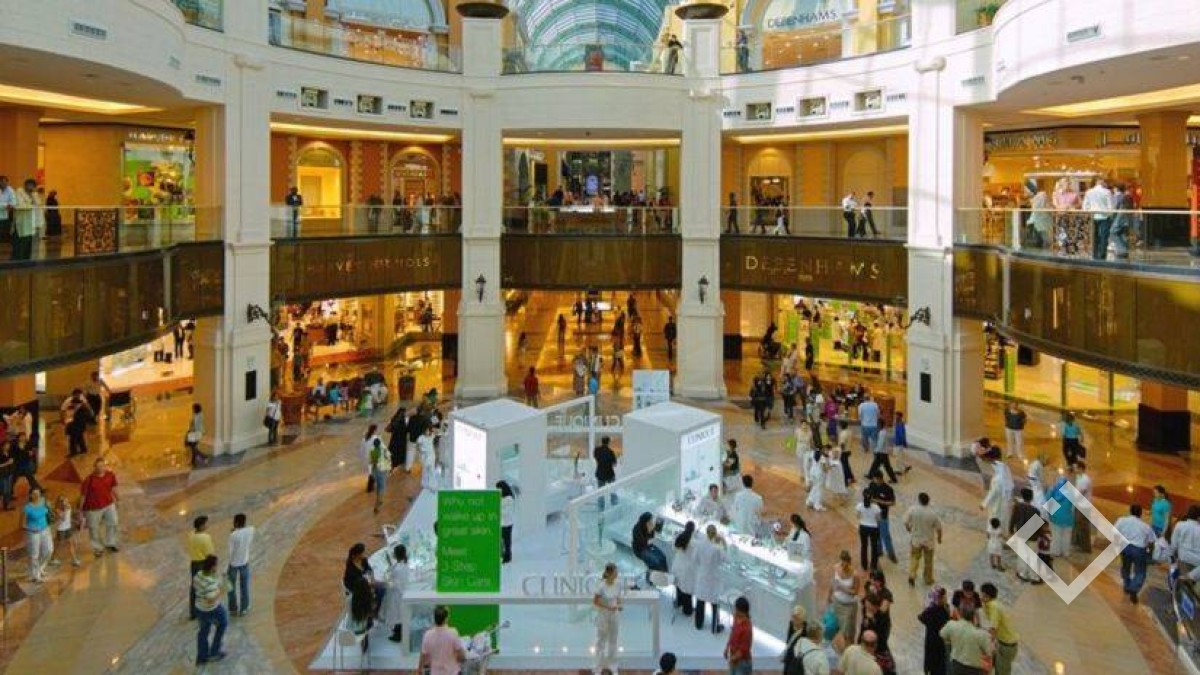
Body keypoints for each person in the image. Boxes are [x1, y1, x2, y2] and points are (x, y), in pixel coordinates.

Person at [1114, 504, 1156, 603]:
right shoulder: (1145, 526)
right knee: (1140, 572)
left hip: (1125, 547)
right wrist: (1149, 553)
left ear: (1130, 511)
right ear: (1140, 514)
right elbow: (1152, 541)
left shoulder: (1121, 520)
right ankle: (1134, 588)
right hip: (1139, 550)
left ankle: (1126, 585)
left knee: (1126, 568)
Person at [192, 554, 229, 664]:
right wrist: (221, 590)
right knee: (223, 624)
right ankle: (215, 652)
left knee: (203, 632)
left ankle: (202, 657)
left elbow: (196, 587)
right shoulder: (210, 583)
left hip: (199, 608)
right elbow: (210, 599)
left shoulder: (198, 575)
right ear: (213, 567)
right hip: (212, 609)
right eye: (216, 565)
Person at [79, 457, 119, 556]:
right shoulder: (89, 480)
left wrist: (118, 498)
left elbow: (113, 487)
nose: (101, 468)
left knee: (113, 522)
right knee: (94, 529)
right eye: (98, 466)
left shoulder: (110, 475)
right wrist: (80, 511)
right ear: (94, 467)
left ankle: (110, 543)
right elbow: (83, 496)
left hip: (108, 504)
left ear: (105, 466)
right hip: (93, 508)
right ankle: (98, 548)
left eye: (102, 466)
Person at [939, 604, 992, 675]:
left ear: (960, 613)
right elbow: (989, 652)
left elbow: (942, 634)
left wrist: (951, 639)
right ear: (974, 617)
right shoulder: (982, 634)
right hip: (974, 669)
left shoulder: (951, 625)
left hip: (956, 665)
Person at [693, 524, 727, 633]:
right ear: (716, 534)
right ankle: (714, 627)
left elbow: (695, 559)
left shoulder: (700, 544)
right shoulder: (717, 548)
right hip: (713, 576)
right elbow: (725, 559)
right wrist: (724, 543)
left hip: (702, 574)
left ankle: (698, 624)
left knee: (700, 600)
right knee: (714, 602)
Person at [904, 492, 942, 586]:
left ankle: (912, 575)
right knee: (928, 561)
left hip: (916, 540)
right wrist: (939, 538)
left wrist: (908, 529)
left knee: (914, 558)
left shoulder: (913, 510)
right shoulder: (932, 514)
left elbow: (905, 522)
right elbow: (939, 528)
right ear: (928, 501)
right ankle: (928, 579)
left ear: (919, 500)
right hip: (928, 541)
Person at [979, 582, 1018, 675]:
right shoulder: (992, 603)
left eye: (982, 595)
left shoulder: (994, 607)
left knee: (1002, 672)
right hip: (1003, 643)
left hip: (1006, 646)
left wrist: (987, 645)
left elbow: (993, 629)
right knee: (996, 667)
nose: (981, 597)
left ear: (987, 596)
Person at [593, 563, 623, 675]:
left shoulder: (618, 584)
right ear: (609, 573)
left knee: (613, 641)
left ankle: (613, 666)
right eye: (615, 572)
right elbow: (595, 602)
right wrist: (609, 607)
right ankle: (598, 667)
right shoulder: (601, 586)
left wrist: (619, 605)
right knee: (601, 641)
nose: (617, 574)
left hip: (614, 615)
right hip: (603, 615)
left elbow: (618, 598)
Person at [864, 472, 898, 563]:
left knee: (886, 535)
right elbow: (869, 495)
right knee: (876, 534)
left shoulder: (888, 489)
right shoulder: (872, 485)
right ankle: (879, 550)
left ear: (879, 478)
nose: (873, 480)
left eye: (875, 479)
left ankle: (891, 553)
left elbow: (892, 503)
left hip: (883, 516)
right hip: (874, 515)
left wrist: (878, 501)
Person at [1009, 488, 1041, 583]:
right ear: (1032, 498)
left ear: (1022, 497)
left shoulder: (1017, 506)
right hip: (1032, 535)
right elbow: (1038, 526)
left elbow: (1013, 519)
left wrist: (1011, 529)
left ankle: (1023, 573)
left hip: (1021, 533)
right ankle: (1034, 576)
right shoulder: (1036, 510)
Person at [829, 550, 861, 643]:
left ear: (849, 562)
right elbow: (833, 582)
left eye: (844, 562)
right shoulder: (836, 567)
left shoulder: (855, 575)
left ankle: (850, 645)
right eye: (841, 561)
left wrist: (843, 588)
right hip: (837, 602)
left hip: (849, 606)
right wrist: (829, 595)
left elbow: (855, 592)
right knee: (838, 626)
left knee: (849, 630)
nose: (842, 564)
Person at [226, 513, 255, 616]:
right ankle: (244, 608)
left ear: (236, 523)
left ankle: (233, 608)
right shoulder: (251, 530)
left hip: (233, 564)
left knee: (231, 587)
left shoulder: (233, 536)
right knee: (244, 586)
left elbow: (230, 552)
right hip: (244, 562)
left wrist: (234, 532)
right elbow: (249, 528)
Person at [22, 488, 53, 582]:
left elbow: (50, 513)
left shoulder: (43, 503)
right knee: (34, 554)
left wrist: (50, 507)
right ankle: (36, 575)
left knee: (49, 550)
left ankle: (40, 568)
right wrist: (32, 529)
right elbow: (22, 524)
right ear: (30, 495)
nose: (37, 495)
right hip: (33, 533)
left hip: (45, 530)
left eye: (38, 493)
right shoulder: (27, 508)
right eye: (34, 494)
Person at [918, 586, 950, 675]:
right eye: (943, 597)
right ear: (938, 598)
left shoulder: (931, 610)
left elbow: (921, 617)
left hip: (933, 642)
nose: (945, 598)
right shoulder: (936, 610)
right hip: (937, 643)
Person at [188, 516, 215, 620]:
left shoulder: (191, 535)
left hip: (194, 563)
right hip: (203, 564)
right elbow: (210, 554)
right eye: (206, 523)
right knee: (206, 587)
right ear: (201, 526)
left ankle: (193, 612)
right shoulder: (205, 537)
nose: (207, 525)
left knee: (194, 587)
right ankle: (206, 610)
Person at [981, 451, 1014, 534]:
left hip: (996, 503)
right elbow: (1010, 486)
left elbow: (992, 493)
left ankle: (992, 533)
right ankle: (1002, 532)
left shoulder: (998, 479)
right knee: (1003, 517)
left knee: (994, 516)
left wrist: (984, 504)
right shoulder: (1004, 473)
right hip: (1004, 500)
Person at [1082, 177, 1114, 260]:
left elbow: (1085, 206)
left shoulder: (1089, 192)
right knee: (1104, 236)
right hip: (1104, 217)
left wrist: (1089, 212)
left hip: (1093, 216)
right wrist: (1109, 215)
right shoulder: (1107, 192)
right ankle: (1102, 254)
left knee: (1094, 236)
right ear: (1100, 181)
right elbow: (1111, 207)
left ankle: (1094, 254)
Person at [382, 544, 408, 642]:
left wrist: (385, 581)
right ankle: (398, 632)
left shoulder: (398, 569)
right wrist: (389, 563)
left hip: (396, 594)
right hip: (401, 593)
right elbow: (394, 570)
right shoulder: (404, 564)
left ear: (396, 554)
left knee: (397, 615)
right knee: (399, 614)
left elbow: (393, 584)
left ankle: (398, 635)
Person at [11, 178, 42, 260]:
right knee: (20, 242)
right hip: (21, 221)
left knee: (28, 242)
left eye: (32, 186)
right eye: (29, 185)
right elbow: (21, 204)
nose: (30, 187)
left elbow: (38, 204)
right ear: (25, 185)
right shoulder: (19, 191)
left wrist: (32, 196)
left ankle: (26, 259)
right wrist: (31, 204)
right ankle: (17, 260)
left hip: (31, 221)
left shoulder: (34, 194)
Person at [632, 511, 668, 578]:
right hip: (640, 549)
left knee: (662, 557)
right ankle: (650, 578)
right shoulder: (636, 529)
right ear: (645, 521)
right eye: (650, 520)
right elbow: (643, 542)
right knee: (655, 562)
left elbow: (652, 537)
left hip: (648, 546)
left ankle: (664, 575)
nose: (651, 521)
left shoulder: (649, 525)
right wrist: (649, 531)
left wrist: (651, 530)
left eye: (651, 520)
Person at [672, 521, 697, 616]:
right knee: (687, 591)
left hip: (677, 567)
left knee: (678, 586)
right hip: (687, 570)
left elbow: (674, 549)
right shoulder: (694, 543)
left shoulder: (679, 537)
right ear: (693, 530)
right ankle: (687, 610)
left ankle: (679, 602)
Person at [50, 494, 81, 567]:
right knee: (59, 545)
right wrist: (64, 510)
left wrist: (74, 522)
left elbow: (68, 518)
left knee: (70, 544)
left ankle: (74, 559)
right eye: (62, 501)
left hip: (68, 528)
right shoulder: (58, 510)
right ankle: (53, 558)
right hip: (61, 530)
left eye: (66, 500)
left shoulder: (69, 507)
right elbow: (63, 518)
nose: (65, 502)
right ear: (59, 502)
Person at [725, 596, 753, 674]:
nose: (735, 611)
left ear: (742, 611)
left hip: (742, 663)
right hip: (734, 658)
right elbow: (732, 633)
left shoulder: (747, 628)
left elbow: (743, 650)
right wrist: (727, 647)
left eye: (736, 609)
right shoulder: (736, 618)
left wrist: (732, 659)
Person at [856, 491, 882, 571]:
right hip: (873, 528)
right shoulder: (876, 507)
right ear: (871, 498)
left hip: (863, 527)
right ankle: (873, 565)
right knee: (874, 546)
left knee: (864, 546)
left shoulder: (859, 506)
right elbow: (878, 519)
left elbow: (858, 516)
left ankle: (864, 565)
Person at [1072, 461, 1094, 553]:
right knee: (1078, 525)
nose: (1075, 470)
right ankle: (1078, 544)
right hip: (1079, 505)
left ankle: (1086, 547)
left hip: (1084, 506)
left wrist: (1072, 499)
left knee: (1083, 527)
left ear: (1080, 468)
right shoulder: (1079, 477)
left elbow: (1082, 492)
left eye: (1076, 468)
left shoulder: (1085, 479)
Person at [1172, 505, 1200, 578]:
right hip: (1197, 561)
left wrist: (1173, 558)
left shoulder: (1180, 525)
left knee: (1181, 579)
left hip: (1183, 557)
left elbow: (1174, 544)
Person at [594, 436, 618, 508]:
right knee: (613, 491)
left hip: (600, 474)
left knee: (600, 493)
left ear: (602, 441)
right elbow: (614, 464)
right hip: (609, 474)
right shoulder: (610, 452)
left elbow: (596, 458)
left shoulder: (596, 450)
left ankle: (601, 509)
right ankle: (615, 506)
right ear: (608, 442)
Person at [369, 438, 391, 514]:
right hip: (382, 471)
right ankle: (377, 505)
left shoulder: (372, 451)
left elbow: (372, 462)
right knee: (381, 488)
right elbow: (388, 459)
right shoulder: (384, 451)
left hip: (375, 471)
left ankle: (380, 500)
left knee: (379, 486)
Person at [498, 480, 515, 563]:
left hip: (507, 523)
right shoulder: (501, 498)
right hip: (501, 523)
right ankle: (502, 555)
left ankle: (507, 556)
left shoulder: (509, 499)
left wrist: (498, 510)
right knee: (501, 541)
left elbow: (507, 512)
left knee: (507, 541)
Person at [386, 407, 408, 471]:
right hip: (401, 439)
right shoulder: (403, 420)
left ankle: (390, 466)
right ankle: (398, 464)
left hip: (394, 438)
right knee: (399, 452)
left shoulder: (394, 419)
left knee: (393, 452)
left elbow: (391, 428)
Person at [418, 425, 439, 493]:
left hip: (431, 455)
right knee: (425, 470)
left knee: (431, 470)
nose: (427, 432)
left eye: (428, 430)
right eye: (426, 431)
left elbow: (437, 432)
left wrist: (434, 429)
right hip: (425, 456)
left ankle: (432, 486)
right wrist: (421, 451)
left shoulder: (432, 436)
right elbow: (418, 447)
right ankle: (424, 483)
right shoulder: (421, 438)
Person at [186, 403, 206, 467]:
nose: (192, 409)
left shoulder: (198, 416)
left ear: (195, 409)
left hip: (196, 433)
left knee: (193, 447)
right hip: (195, 433)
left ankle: (202, 457)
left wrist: (190, 430)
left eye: (193, 408)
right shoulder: (197, 415)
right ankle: (194, 460)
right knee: (193, 447)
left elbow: (196, 425)